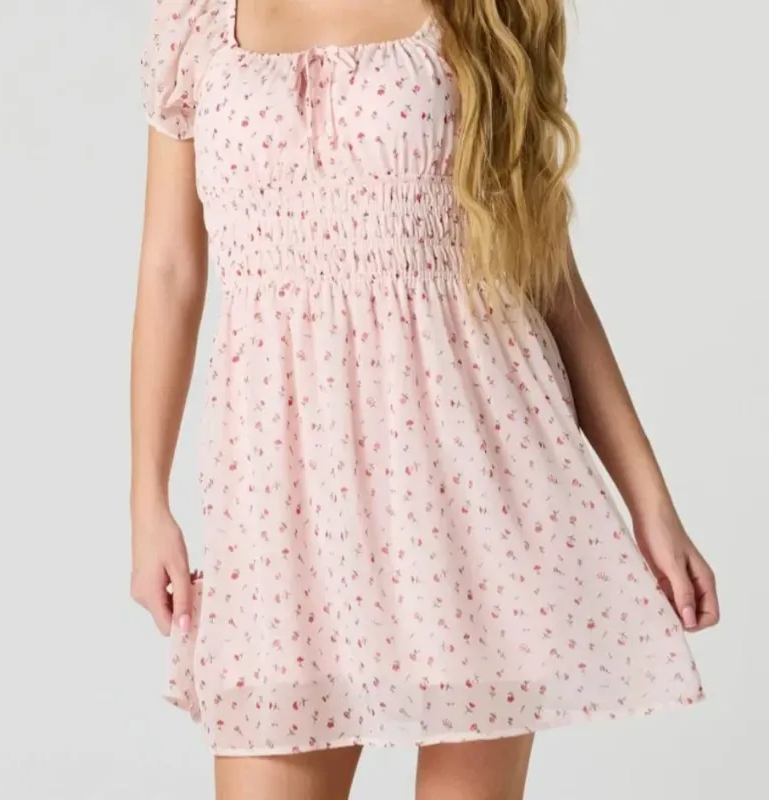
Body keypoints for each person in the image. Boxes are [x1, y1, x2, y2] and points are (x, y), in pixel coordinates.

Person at [130, 1, 720, 797]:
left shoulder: (485, 14)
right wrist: (147, 501)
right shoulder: (197, 19)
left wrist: (651, 503)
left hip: (470, 480)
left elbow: (544, 269)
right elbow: (170, 266)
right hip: (283, 501)